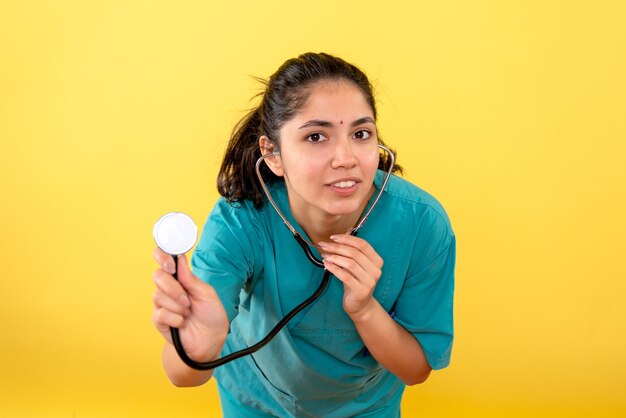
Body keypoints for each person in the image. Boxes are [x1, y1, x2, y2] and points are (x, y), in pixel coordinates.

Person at [152, 52, 455, 417]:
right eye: (316, 136)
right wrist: (196, 350)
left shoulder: (422, 224)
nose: (346, 158)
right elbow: (182, 375)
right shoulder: (241, 220)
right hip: (255, 398)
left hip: (366, 405)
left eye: (361, 134)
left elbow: (416, 369)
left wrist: (364, 310)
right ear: (273, 155)